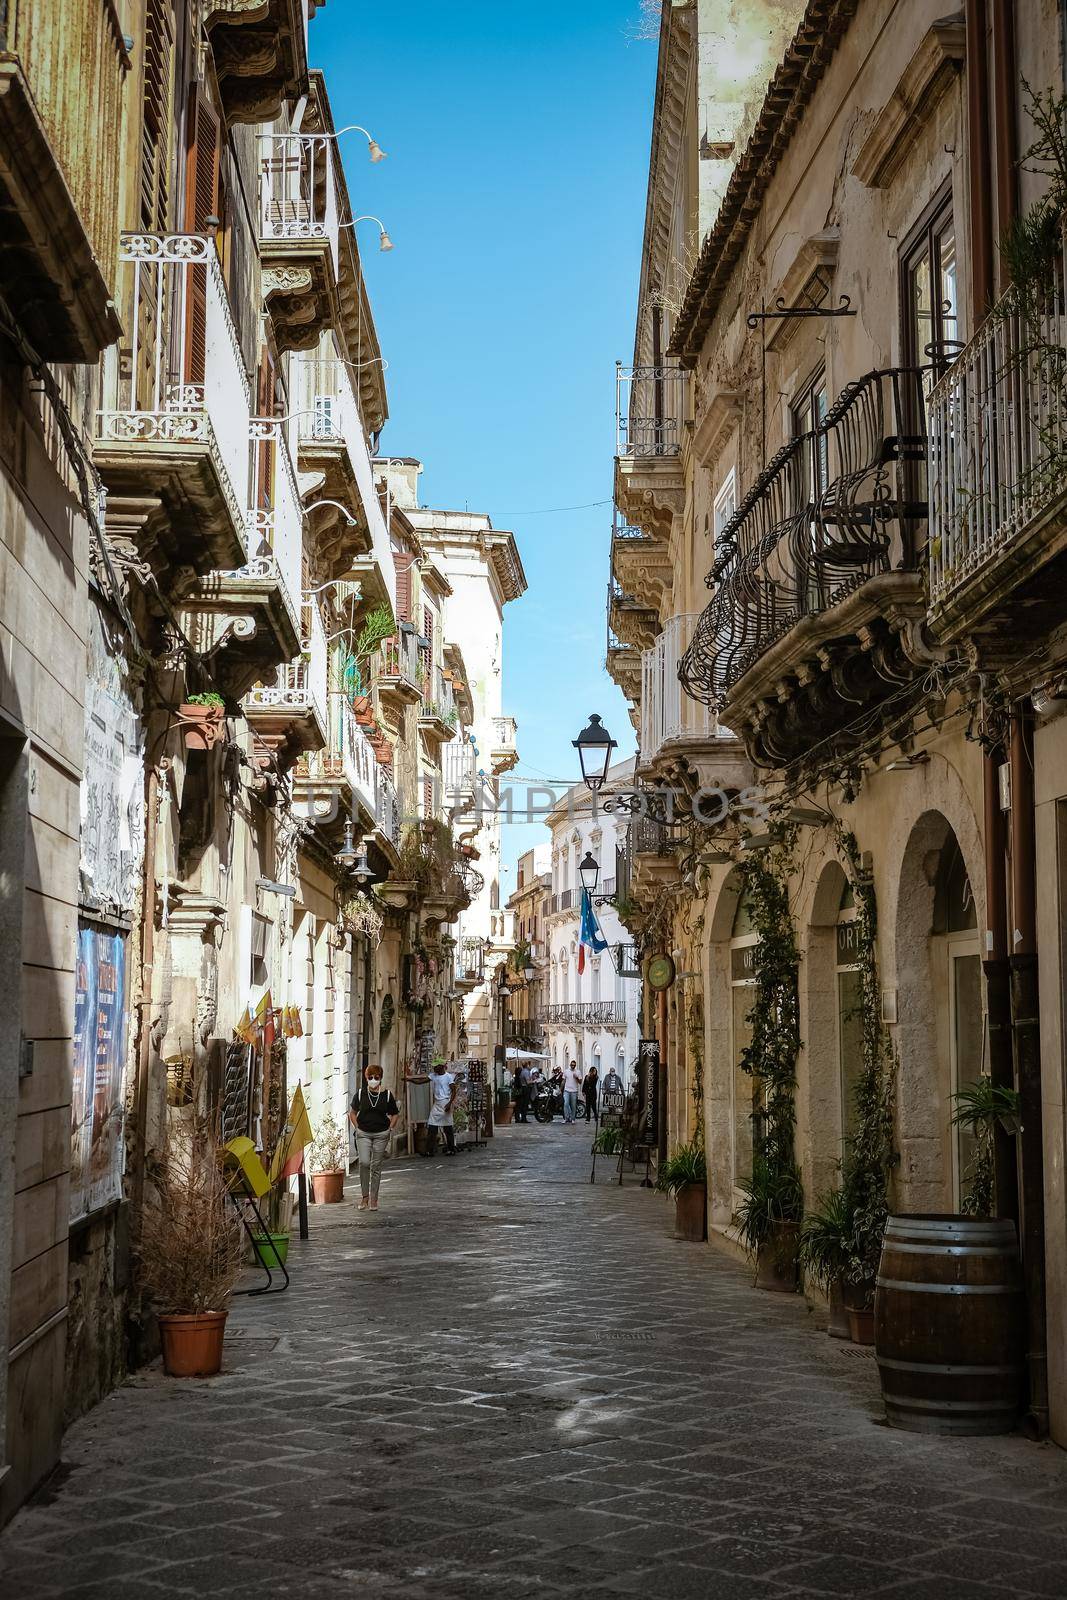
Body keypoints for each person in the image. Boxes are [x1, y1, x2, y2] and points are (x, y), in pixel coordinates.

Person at [348, 1065, 400, 1211]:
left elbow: (395, 1113)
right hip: (363, 1133)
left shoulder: (387, 1095)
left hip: (381, 1134)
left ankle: (373, 1199)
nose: (373, 1080)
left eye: (376, 1078)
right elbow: (352, 1112)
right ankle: (364, 1197)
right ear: (366, 1078)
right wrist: (357, 1127)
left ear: (380, 1078)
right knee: (364, 1162)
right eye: (370, 1078)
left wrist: (390, 1128)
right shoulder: (360, 1094)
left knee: (376, 1166)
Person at [426, 1058, 458, 1155]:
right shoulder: (433, 1076)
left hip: (445, 1102)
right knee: (432, 1125)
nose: (434, 1068)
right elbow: (422, 1080)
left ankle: (451, 1149)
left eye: (436, 1066)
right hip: (437, 1103)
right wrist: (410, 1079)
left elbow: (453, 1090)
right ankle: (430, 1150)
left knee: (448, 1127)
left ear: (442, 1066)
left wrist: (449, 1103)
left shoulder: (448, 1077)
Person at [562, 1059, 582, 1124]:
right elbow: (563, 1080)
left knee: (573, 1105)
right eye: (572, 1065)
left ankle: (573, 1119)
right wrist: (560, 1089)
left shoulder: (578, 1072)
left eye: (574, 1065)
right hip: (566, 1090)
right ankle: (566, 1118)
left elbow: (580, 1082)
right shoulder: (566, 1071)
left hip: (574, 1091)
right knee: (566, 1104)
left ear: (575, 1066)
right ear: (570, 1065)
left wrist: (576, 1077)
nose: (573, 1066)